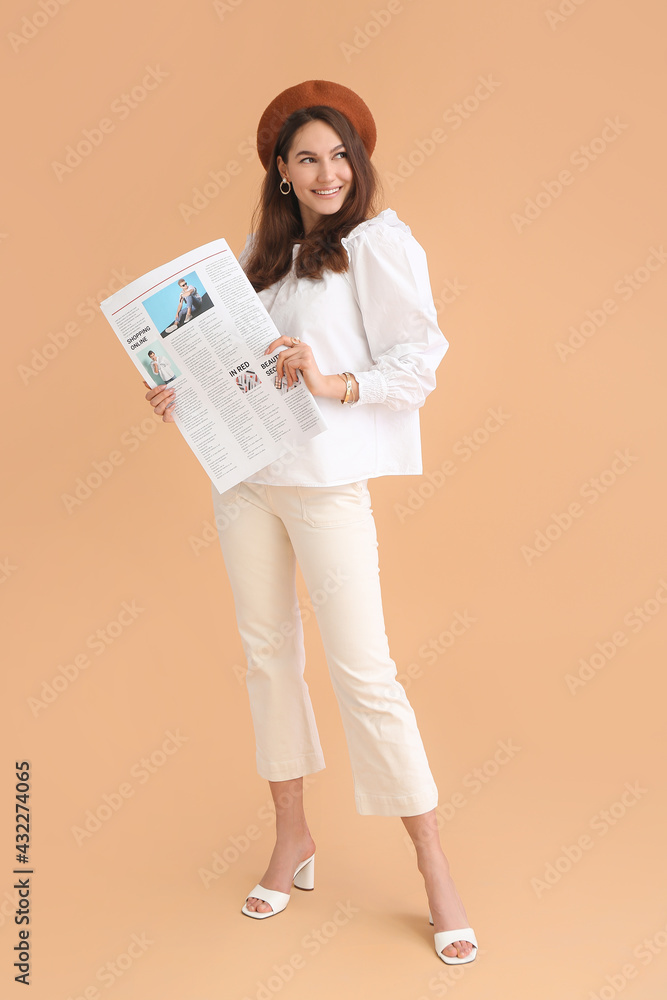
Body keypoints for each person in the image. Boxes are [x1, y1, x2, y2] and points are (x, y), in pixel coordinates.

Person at [143, 80, 478, 966]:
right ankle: (293, 839)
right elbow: (235, 375)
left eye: (339, 155)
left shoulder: (376, 243)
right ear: (281, 174)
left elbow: (419, 359)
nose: (327, 172)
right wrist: (182, 392)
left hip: (325, 484)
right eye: (307, 159)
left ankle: (434, 865)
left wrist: (331, 381)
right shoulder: (258, 258)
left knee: (364, 671)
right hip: (246, 480)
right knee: (266, 655)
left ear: (356, 164)